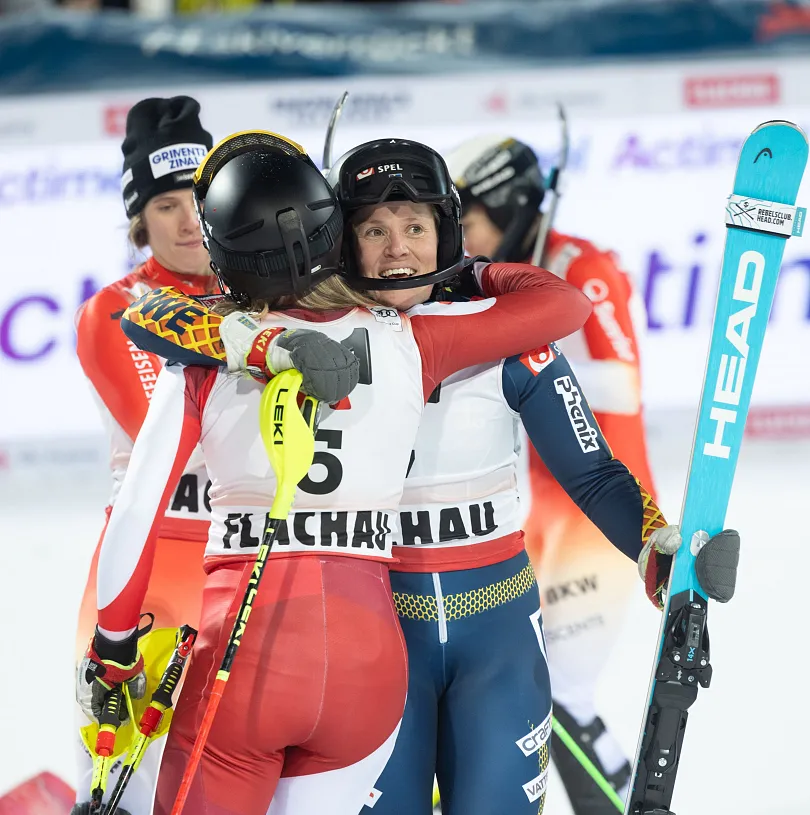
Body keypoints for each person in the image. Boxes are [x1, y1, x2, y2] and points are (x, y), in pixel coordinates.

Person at [119, 135, 740, 815]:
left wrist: (653, 545)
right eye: (374, 229)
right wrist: (252, 340)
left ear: (445, 232)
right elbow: (157, 314)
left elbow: (594, 474)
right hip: (380, 640)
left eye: (416, 226)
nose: (397, 248)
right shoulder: (301, 332)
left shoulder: (498, 334)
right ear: (339, 239)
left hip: (497, 636)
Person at [445, 134, 661, 811]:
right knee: (539, 698)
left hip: (602, 515)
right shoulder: (502, 277)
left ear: (509, 208)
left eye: (469, 218)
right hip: (537, 517)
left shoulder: (578, 263)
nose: (463, 239)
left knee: (561, 696)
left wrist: (523, 341)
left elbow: (624, 387)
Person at [72, 95, 217, 815]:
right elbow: (181, 445)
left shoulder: (275, 296)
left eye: (200, 196)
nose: (190, 218)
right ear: (140, 220)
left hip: (251, 567)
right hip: (149, 576)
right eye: (166, 204)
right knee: (124, 799)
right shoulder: (115, 311)